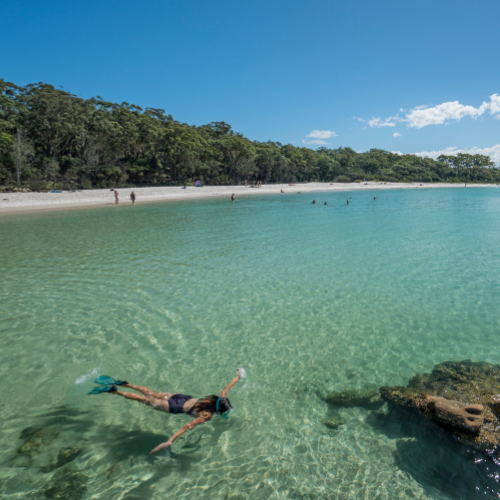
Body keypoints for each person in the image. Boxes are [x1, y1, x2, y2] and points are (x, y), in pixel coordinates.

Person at [88, 369, 243, 453]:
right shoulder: (207, 415)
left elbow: (226, 389)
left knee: (149, 392)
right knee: (145, 399)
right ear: (220, 410)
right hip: (174, 407)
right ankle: (114, 391)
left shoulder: (215, 398)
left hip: (179, 397)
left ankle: (122, 383)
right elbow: (187, 427)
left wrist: (237, 377)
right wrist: (169, 441)